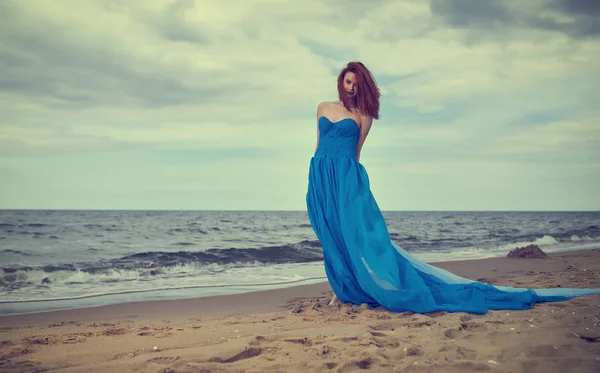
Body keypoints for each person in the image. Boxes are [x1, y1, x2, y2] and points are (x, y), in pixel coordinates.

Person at [305, 61, 600, 314]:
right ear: (340, 81)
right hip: (320, 177)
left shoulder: (363, 116)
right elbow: (318, 147)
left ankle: (348, 290)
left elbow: (356, 154)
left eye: (356, 83)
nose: (352, 87)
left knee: (353, 236)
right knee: (329, 236)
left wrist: (355, 190)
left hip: (347, 180)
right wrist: (314, 181)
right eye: (348, 81)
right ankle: (342, 288)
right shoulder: (323, 107)